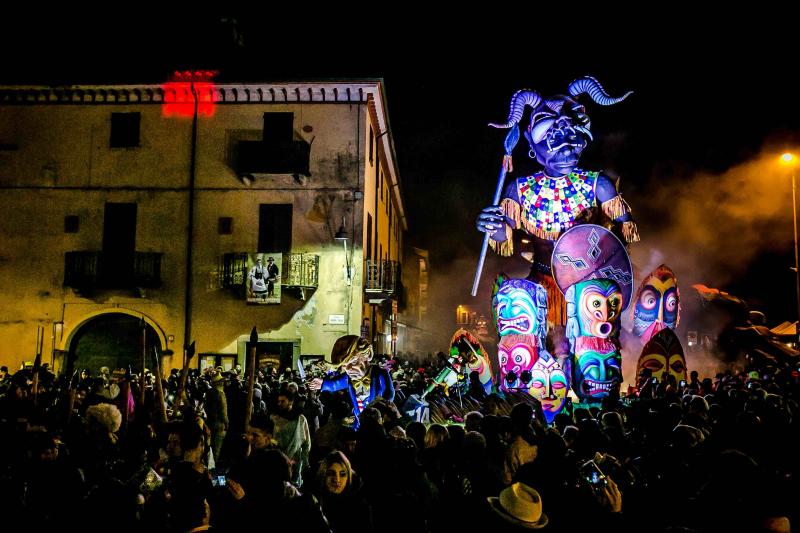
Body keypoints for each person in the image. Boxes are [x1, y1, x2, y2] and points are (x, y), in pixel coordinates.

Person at [476, 77, 638, 326]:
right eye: (553, 143)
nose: (566, 152)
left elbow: (624, 236)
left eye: (573, 142)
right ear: (530, 142)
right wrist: (491, 225)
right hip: (542, 284)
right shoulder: (520, 189)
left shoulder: (598, 185)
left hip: (590, 290)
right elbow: (503, 237)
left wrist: (609, 264)